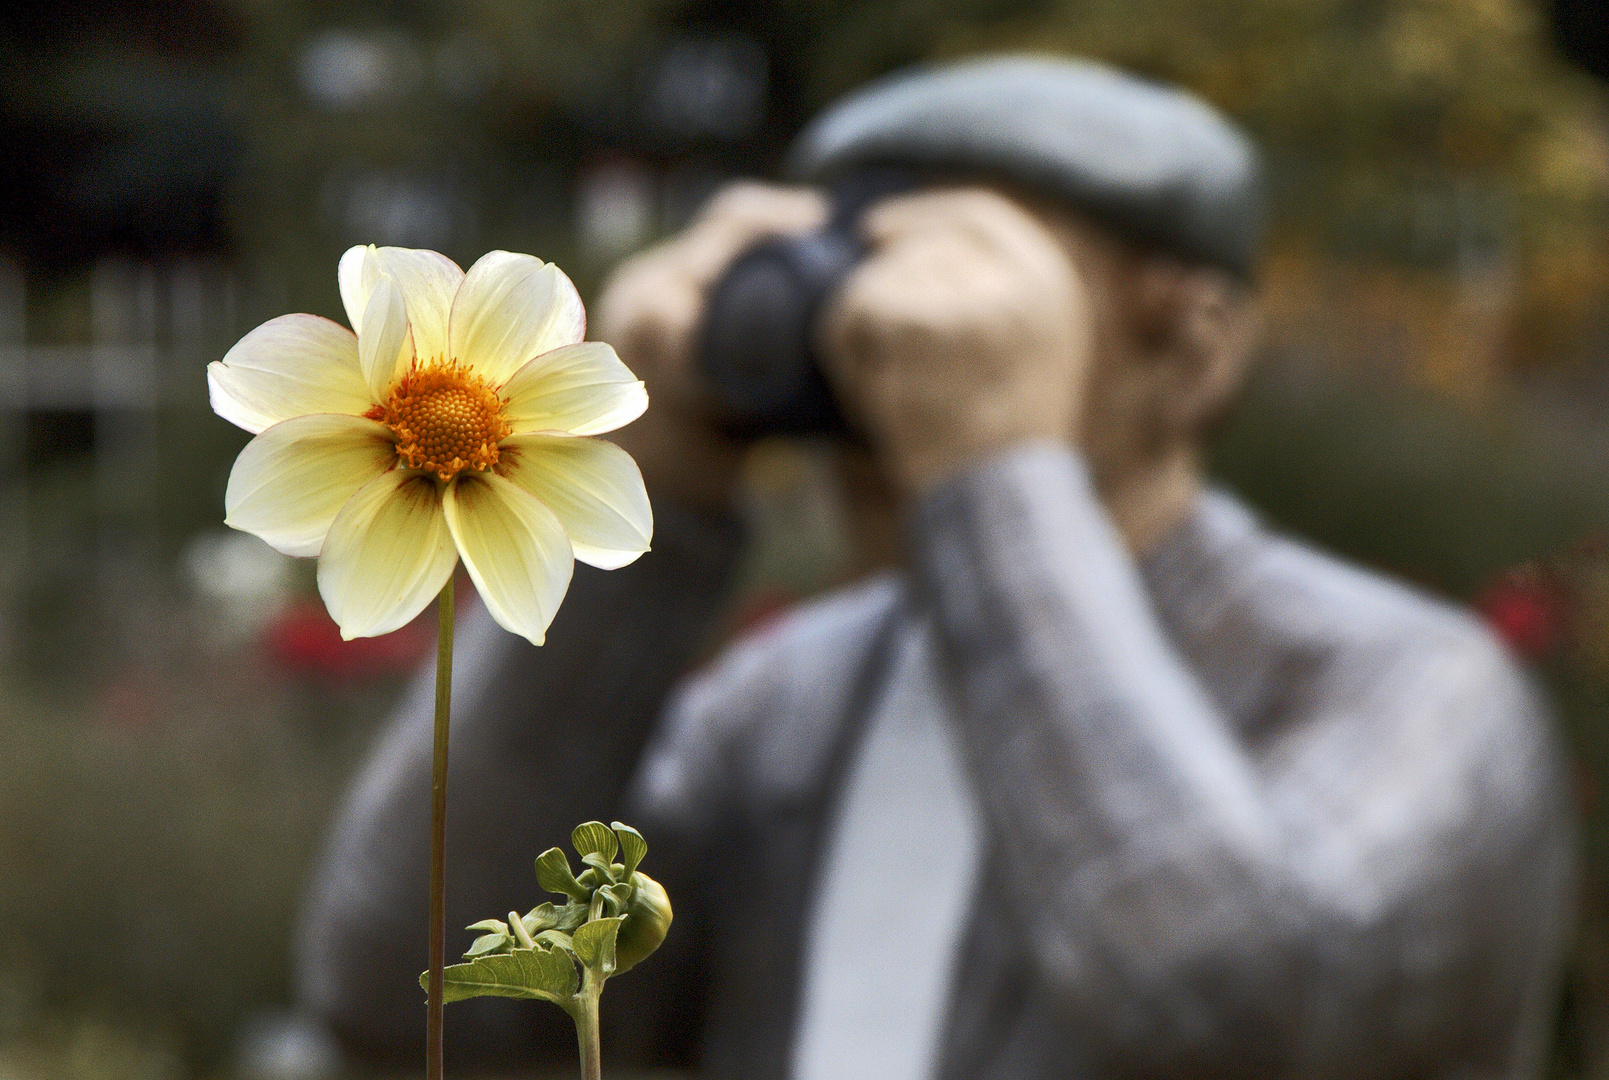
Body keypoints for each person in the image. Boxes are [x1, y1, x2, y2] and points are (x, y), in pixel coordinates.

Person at [295, 56, 1577, 1079]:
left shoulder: (1419, 696)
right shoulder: (791, 704)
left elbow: (1220, 1010)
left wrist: (994, 477)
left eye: (971, 286)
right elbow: (417, 1001)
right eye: (848, 284)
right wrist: (634, 488)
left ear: (1191, 349)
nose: (881, 342)